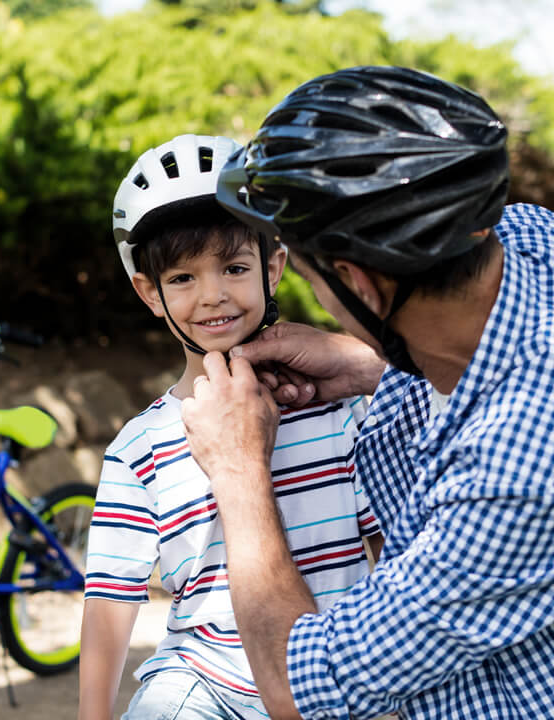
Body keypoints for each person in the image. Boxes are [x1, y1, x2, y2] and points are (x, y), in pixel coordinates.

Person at [175, 66, 554, 719]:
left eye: (309, 277)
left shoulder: (530, 469)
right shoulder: (543, 241)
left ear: (359, 284)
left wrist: (239, 468)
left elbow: (301, 690)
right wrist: (371, 363)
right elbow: (499, 370)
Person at [78, 133, 384, 720]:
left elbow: (387, 551)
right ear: (149, 292)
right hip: (202, 681)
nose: (213, 295)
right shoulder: (137, 448)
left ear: (274, 268)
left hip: (330, 679)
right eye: (182, 278)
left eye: (235, 267)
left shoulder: (339, 412)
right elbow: (111, 597)